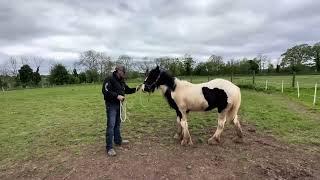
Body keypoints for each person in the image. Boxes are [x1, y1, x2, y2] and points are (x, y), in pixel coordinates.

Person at [102, 65, 140, 156]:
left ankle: (118, 141)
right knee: (111, 125)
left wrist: (138, 88)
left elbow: (128, 90)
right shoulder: (109, 79)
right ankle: (109, 147)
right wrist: (117, 96)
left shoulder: (121, 81)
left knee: (117, 124)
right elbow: (105, 91)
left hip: (119, 105)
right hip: (111, 105)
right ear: (118, 71)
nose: (124, 73)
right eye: (123, 71)